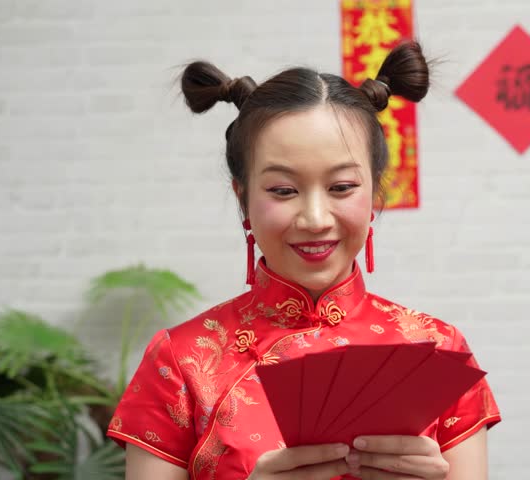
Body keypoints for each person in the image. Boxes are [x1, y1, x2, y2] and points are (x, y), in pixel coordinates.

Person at [107, 41, 501, 480]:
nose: (315, 219)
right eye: (282, 190)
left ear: (375, 192)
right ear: (244, 199)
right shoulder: (180, 362)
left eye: (341, 187)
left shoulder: (438, 351)